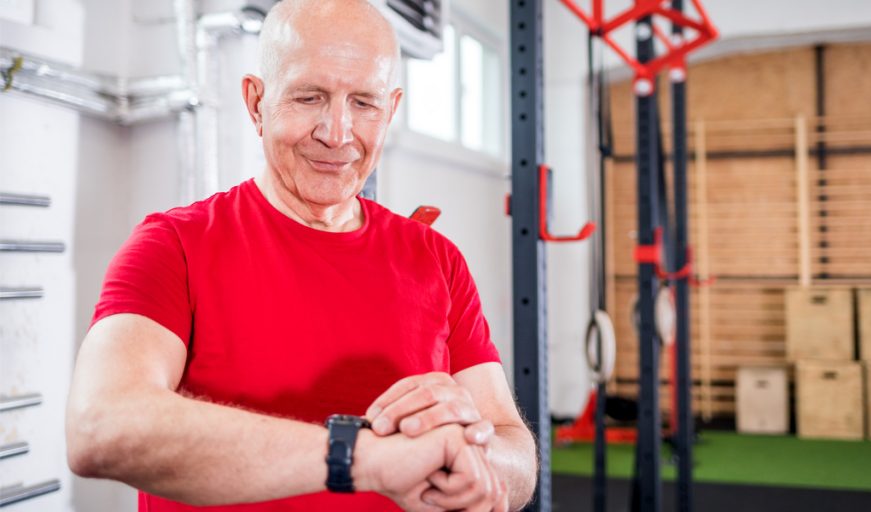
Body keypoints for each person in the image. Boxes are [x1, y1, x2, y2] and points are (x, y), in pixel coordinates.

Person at [64, 0, 537, 510]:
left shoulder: (436, 259)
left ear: (391, 109)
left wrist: (475, 461)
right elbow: (101, 426)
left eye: (364, 103)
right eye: (309, 97)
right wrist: (364, 459)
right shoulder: (172, 246)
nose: (337, 133)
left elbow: (517, 454)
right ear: (256, 102)